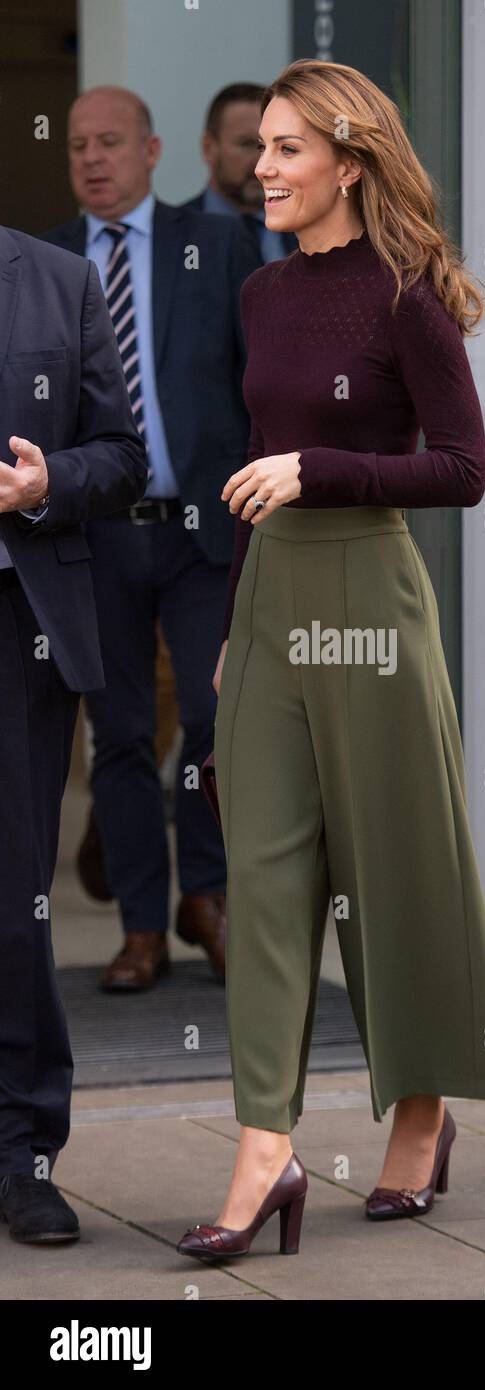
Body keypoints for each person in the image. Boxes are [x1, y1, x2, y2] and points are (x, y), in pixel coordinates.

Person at [177, 58, 485, 1265]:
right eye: (257, 147)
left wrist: (324, 471)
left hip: (371, 596)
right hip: (267, 602)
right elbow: (257, 465)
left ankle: (420, 1112)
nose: (258, 167)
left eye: (283, 149)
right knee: (262, 880)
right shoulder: (263, 297)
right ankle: (264, 1147)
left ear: (348, 164)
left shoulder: (406, 295)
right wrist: (231, 630)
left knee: (395, 873)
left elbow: (464, 470)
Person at [43, 86, 261, 991]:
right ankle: (139, 928)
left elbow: (257, 385)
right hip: (96, 537)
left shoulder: (214, 245)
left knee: (214, 724)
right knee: (121, 737)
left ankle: (204, 899)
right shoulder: (45, 264)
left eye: (110, 142)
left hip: (201, 531)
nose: (92, 158)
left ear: (154, 150)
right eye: (78, 145)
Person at [0, 223, 147, 1243]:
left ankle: (23, 1156)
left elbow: (122, 457)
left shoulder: (59, 281)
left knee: (15, 904)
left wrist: (47, 482)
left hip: (19, 636)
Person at [182, 81, 298, 263]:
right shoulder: (176, 235)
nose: (263, 163)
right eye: (247, 144)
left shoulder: (306, 229)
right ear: (209, 148)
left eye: (278, 146)